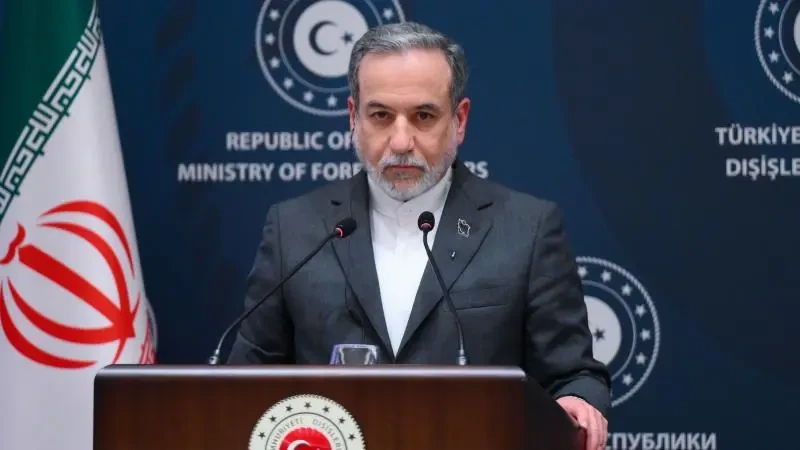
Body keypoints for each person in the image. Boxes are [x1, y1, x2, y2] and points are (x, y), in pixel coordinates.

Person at [227, 21, 610, 449]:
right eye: (381, 116)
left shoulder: (528, 229)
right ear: (354, 118)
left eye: (423, 116)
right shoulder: (294, 228)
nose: (401, 141)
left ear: (459, 120)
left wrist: (577, 399)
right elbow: (247, 378)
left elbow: (572, 374)